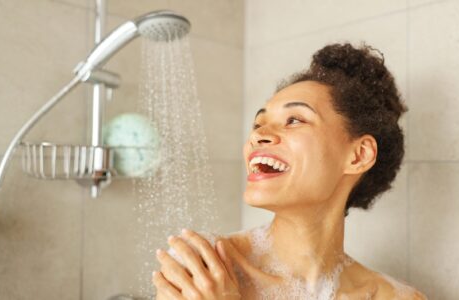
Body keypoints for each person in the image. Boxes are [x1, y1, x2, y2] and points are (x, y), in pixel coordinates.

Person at [152, 42, 427, 299]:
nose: (259, 135)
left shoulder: (395, 296)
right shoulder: (204, 274)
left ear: (359, 155)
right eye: (259, 124)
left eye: (294, 120)